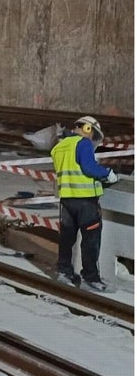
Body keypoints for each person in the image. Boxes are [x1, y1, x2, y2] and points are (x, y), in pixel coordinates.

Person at [51, 115, 118, 291]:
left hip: (67, 200)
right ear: (87, 129)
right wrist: (107, 173)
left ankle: (64, 272)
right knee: (91, 240)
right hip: (86, 201)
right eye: (93, 134)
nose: (92, 139)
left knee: (67, 238)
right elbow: (88, 167)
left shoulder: (59, 147)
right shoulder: (83, 143)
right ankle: (91, 277)